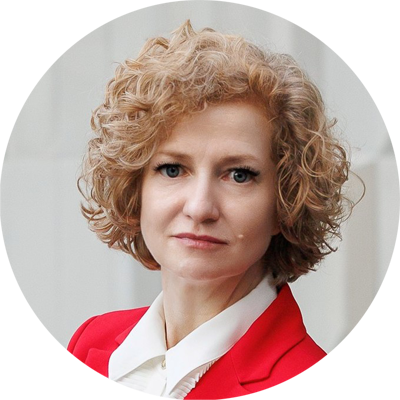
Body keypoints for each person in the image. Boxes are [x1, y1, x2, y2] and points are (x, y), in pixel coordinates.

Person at [67, 20, 356, 400]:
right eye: (172, 169)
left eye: (239, 175)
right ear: (135, 188)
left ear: (286, 200)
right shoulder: (91, 345)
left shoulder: (315, 388)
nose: (200, 207)